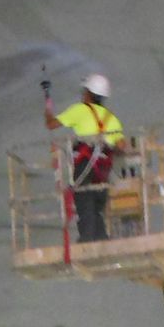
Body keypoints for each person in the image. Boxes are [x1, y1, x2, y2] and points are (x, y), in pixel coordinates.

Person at [45, 73, 124, 242]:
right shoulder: (112, 119)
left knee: (84, 201)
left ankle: (88, 239)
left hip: (84, 165)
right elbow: (122, 146)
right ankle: (101, 238)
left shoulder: (80, 110)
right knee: (97, 205)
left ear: (88, 94)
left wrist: (48, 109)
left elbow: (51, 124)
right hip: (103, 169)